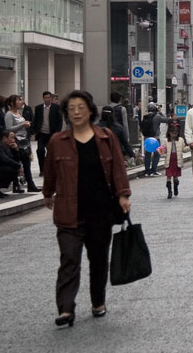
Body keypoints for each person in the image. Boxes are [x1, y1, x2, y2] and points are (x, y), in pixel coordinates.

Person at [42, 90, 131, 327]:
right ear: (66, 114)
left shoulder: (105, 137)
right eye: (71, 108)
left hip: (100, 211)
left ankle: (98, 301)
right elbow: (49, 171)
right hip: (68, 211)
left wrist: (123, 195)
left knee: (99, 259)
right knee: (69, 260)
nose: (76, 112)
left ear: (90, 110)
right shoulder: (57, 142)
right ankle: (65, 310)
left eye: (81, 107)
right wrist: (47, 193)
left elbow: (118, 168)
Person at [5, 94, 40, 193]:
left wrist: (26, 125)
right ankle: (16, 185)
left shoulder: (18, 113)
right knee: (17, 164)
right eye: (19, 100)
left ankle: (30, 184)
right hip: (16, 142)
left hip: (24, 142)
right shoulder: (9, 114)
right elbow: (8, 128)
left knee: (27, 164)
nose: (21, 102)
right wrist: (22, 124)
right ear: (12, 103)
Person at [33, 91, 63, 177]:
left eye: (49, 98)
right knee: (40, 151)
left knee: (51, 152)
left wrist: (57, 132)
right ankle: (42, 169)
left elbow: (59, 121)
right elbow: (36, 120)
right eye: (45, 98)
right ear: (43, 98)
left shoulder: (56, 107)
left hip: (52, 134)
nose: (47, 99)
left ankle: (51, 169)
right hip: (42, 134)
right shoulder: (38, 108)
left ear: (51, 98)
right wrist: (35, 130)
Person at [161, 121, 188, 199]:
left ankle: (176, 186)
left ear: (178, 133)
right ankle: (169, 192)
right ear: (169, 132)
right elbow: (164, 150)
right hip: (169, 160)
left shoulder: (181, 140)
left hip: (177, 159)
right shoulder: (166, 140)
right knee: (168, 176)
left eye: (175, 133)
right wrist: (161, 151)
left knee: (175, 177)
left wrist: (190, 147)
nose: (174, 135)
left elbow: (184, 149)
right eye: (172, 133)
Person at [0, 130, 22, 198]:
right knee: (10, 169)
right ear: (4, 138)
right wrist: (19, 166)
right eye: (11, 138)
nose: (13, 140)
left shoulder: (6, 146)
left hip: (0, 168)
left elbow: (15, 159)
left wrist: (16, 150)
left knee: (14, 169)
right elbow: (5, 159)